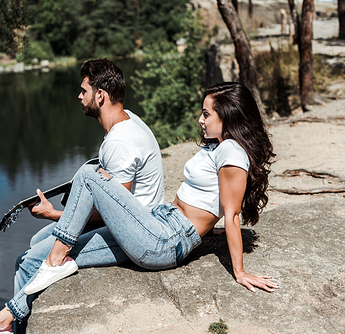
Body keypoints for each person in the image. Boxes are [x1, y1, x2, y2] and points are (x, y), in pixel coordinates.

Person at [0, 59, 165, 334]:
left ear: (100, 95)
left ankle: (9, 327)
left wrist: (53, 214)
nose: (79, 96)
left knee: (28, 261)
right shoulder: (128, 120)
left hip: (133, 233)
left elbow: (116, 211)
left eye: (84, 90)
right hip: (128, 220)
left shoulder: (120, 142)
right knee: (36, 240)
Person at [22, 81, 280, 299]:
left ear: (228, 115)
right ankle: (9, 319)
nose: (200, 120)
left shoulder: (231, 152)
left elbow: (232, 214)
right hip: (159, 223)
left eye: (206, 114)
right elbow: (211, 200)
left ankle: (54, 261)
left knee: (90, 176)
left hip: (165, 241)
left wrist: (240, 272)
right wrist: (209, 228)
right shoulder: (220, 146)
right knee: (37, 248)